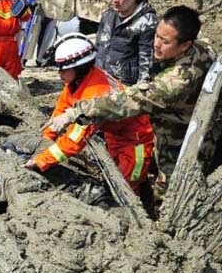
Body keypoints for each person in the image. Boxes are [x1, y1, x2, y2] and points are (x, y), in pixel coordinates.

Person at [45, 6, 215, 193]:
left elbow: (133, 100)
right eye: (157, 35)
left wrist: (76, 112)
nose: (156, 44)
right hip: (159, 128)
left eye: (164, 41)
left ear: (185, 45)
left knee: (171, 189)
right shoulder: (201, 48)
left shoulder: (178, 80)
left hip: (182, 134)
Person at [23, 33, 154, 193]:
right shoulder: (79, 81)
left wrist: (41, 160)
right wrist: (47, 139)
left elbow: (74, 141)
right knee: (114, 176)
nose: (60, 74)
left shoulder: (94, 93)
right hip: (115, 133)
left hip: (135, 141)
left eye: (64, 70)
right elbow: (62, 108)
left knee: (127, 186)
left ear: (79, 67)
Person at [95, 0, 157, 86]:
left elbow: (146, 61)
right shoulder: (108, 15)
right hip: (100, 78)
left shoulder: (147, 22)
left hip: (124, 85)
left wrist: (140, 90)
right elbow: (98, 46)